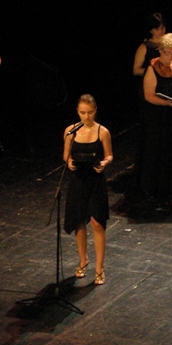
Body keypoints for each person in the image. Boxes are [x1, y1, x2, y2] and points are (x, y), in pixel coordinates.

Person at [63, 94, 113, 286]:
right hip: (77, 181)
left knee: (97, 224)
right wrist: (69, 162)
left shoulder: (103, 131)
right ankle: (83, 260)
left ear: (95, 111)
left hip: (95, 182)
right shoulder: (70, 131)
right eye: (83, 113)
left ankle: (100, 268)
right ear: (77, 112)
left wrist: (104, 163)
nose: (86, 116)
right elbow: (66, 155)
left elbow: (109, 155)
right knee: (79, 223)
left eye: (90, 112)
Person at [138, 33, 172, 199]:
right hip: (158, 115)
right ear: (161, 51)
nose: (171, 56)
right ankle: (157, 185)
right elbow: (149, 95)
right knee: (159, 148)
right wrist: (166, 103)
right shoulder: (153, 68)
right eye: (168, 52)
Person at [132, 12, 165, 78]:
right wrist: (154, 71)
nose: (161, 31)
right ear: (150, 30)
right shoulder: (144, 47)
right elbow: (136, 70)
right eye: (157, 29)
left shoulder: (169, 43)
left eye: (162, 27)